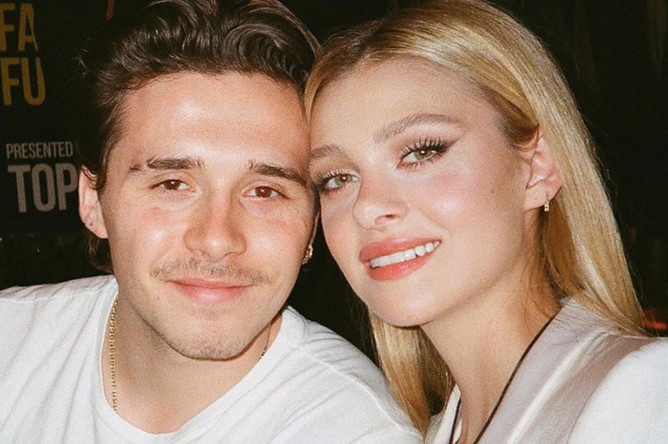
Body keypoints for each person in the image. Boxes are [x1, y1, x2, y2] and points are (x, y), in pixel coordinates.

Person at [0, 1, 422, 442]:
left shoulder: (352, 430)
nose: (218, 239)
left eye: (265, 191)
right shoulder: (11, 342)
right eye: (172, 185)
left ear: (312, 226)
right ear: (93, 201)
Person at [304, 0, 668, 442]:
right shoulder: (432, 432)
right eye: (337, 179)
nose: (367, 206)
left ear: (538, 168)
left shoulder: (638, 391)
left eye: (421, 152)